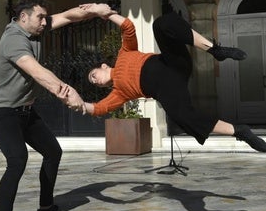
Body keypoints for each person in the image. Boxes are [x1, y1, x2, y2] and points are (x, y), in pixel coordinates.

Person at [0, 0, 115, 211]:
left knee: (52, 152)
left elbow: (68, 16)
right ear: (23, 17)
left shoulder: (35, 29)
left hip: (27, 112)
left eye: (46, 18)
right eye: (40, 18)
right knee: (17, 161)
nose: (45, 22)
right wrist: (70, 93)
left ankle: (46, 208)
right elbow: (38, 73)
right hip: (5, 114)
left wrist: (95, 10)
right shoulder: (14, 39)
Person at [81, 11, 266, 152]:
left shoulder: (124, 53)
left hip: (172, 65)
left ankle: (215, 50)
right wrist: (79, 104)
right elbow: (99, 108)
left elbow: (128, 26)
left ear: (104, 66)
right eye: (93, 83)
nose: (95, 81)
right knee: (182, 117)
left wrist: (104, 13)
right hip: (168, 90)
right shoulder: (118, 92)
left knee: (161, 24)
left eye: (93, 76)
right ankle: (240, 131)